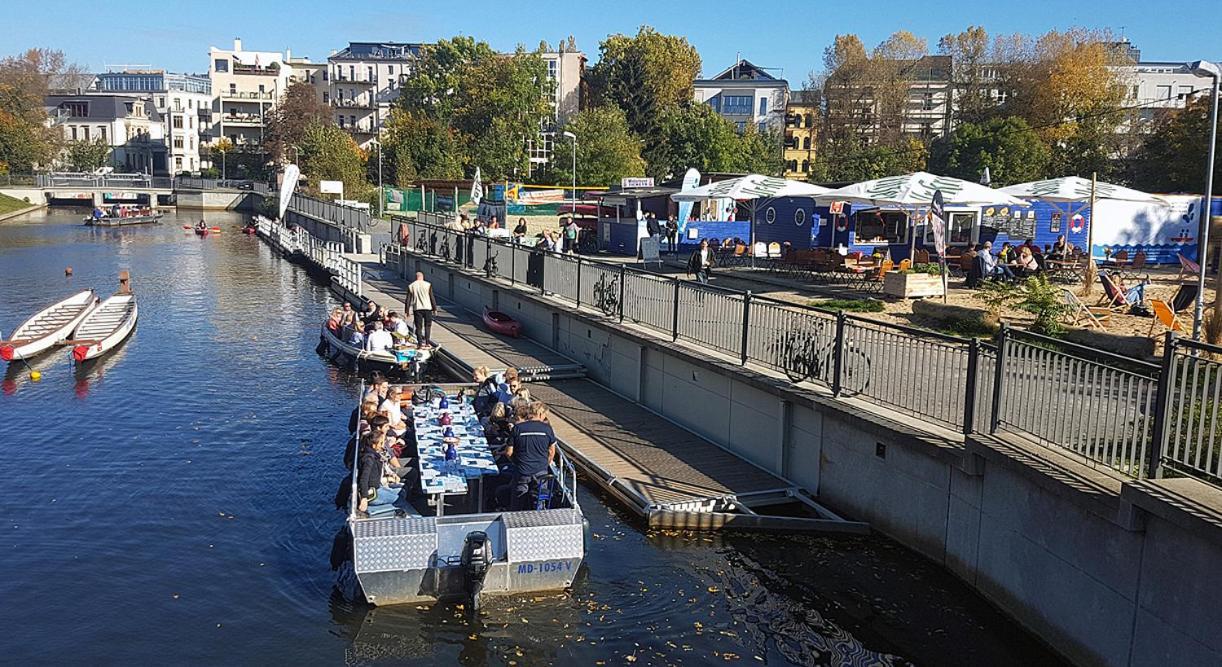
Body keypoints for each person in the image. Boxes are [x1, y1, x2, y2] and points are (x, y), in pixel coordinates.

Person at [504, 401, 557, 511]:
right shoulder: (547, 429)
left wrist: (516, 463)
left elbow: (509, 452)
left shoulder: (518, 428)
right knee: (539, 501)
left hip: (522, 471)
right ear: (541, 414)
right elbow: (552, 452)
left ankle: (516, 521)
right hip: (541, 472)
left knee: (518, 502)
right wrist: (544, 464)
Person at [404, 272, 436, 349]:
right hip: (427, 308)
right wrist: (434, 308)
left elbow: (408, 300)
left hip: (417, 308)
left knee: (419, 327)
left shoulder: (411, 286)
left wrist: (407, 311)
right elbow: (432, 297)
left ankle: (420, 343)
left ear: (416, 277)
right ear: (422, 277)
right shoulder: (428, 285)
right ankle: (427, 342)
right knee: (427, 326)